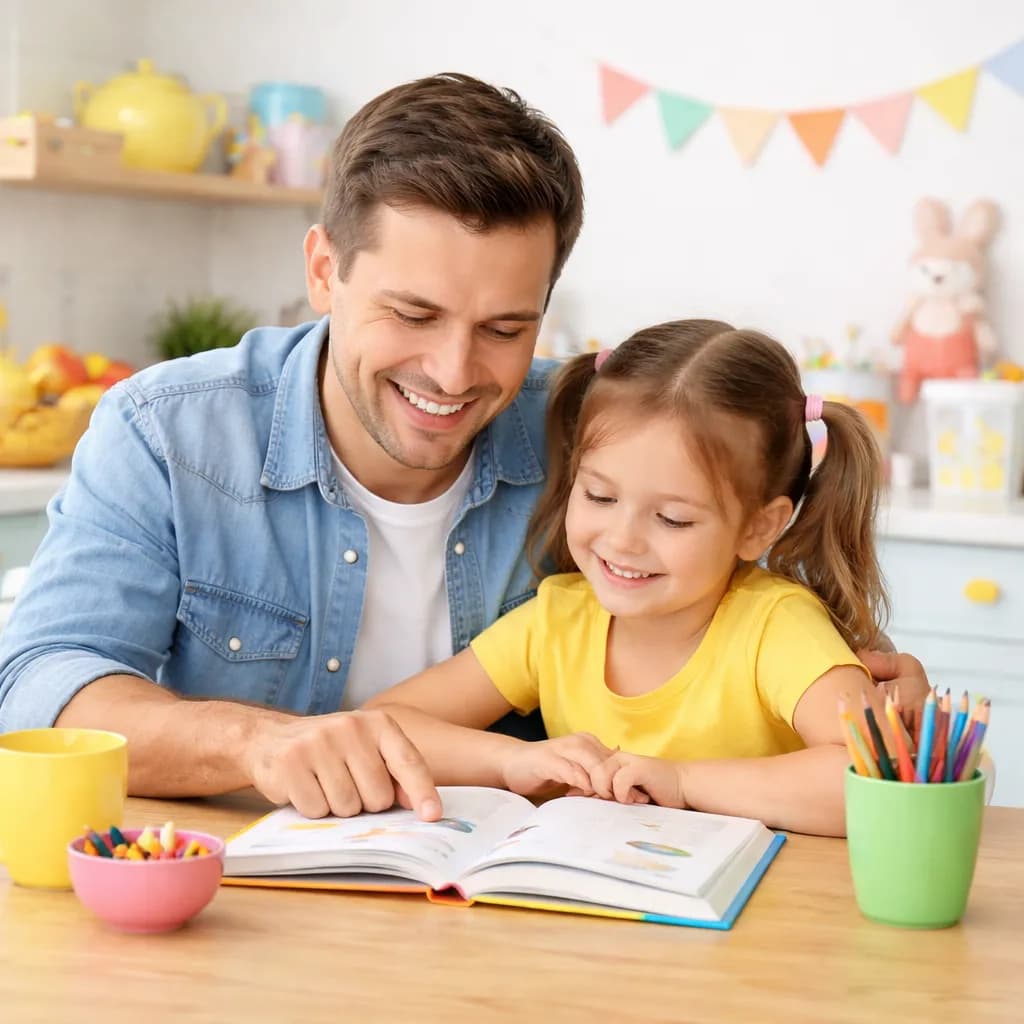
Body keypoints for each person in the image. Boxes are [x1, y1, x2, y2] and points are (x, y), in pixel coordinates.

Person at [0, 73, 584, 820]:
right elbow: (40, 687)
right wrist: (255, 743)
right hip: (244, 909)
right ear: (322, 271)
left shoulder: (593, 437)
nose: (453, 372)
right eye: (412, 314)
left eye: (505, 330)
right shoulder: (165, 432)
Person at [367, 320, 899, 836]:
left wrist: (682, 781)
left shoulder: (776, 627)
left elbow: (875, 778)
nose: (622, 540)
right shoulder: (557, 621)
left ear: (760, 527)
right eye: (599, 496)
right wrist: (512, 760)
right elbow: (384, 725)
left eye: (672, 519)